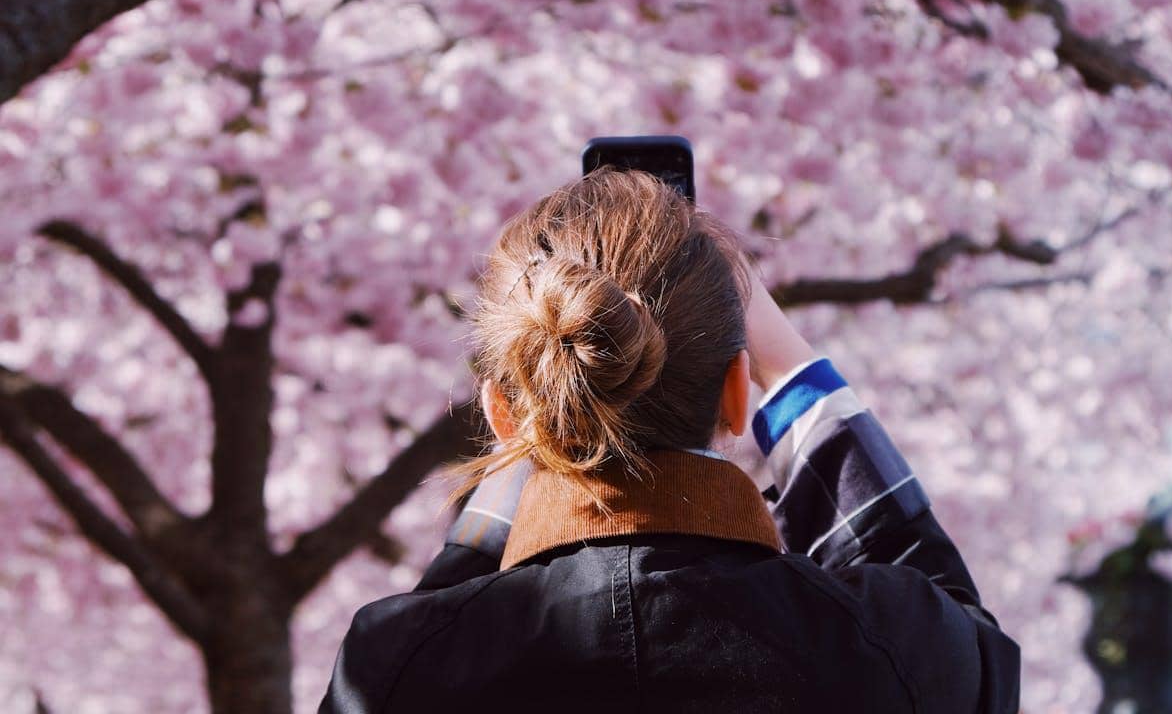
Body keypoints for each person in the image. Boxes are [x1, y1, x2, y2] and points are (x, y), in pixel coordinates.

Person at [318, 169, 1021, 713]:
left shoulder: (393, 667)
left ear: (503, 415)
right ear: (738, 393)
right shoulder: (897, 649)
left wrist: (535, 443)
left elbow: (438, 620)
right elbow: (956, 619)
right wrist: (794, 372)